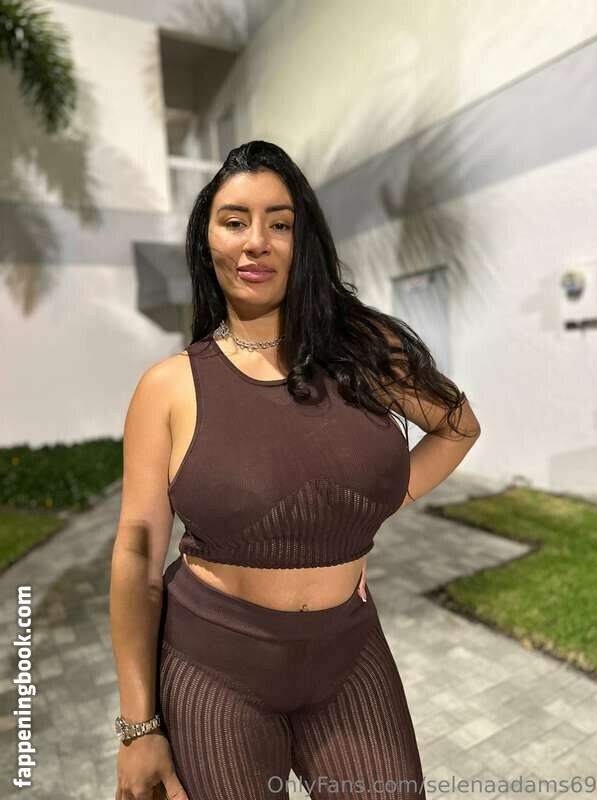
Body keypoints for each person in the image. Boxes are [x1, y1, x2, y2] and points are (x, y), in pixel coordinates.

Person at [110, 140, 481, 800]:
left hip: (350, 655)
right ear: (206, 241)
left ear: (302, 240)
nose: (256, 241)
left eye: (279, 223)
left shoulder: (366, 352)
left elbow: (457, 426)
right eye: (234, 221)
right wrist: (139, 728)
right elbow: (138, 555)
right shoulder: (168, 387)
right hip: (214, 669)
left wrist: (369, 509)